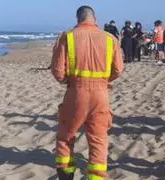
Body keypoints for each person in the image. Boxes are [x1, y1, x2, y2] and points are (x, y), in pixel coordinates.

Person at [51, 5, 123, 180]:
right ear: (95, 19)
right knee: (98, 140)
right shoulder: (110, 38)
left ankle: (66, 175)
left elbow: (58, 71)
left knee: (65, 136)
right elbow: (119, 69)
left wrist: (68, 81)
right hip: (101, 94)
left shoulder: (67, 37)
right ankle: (96, 176)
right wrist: (104, 81)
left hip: (76, 92)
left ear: (78, 19)